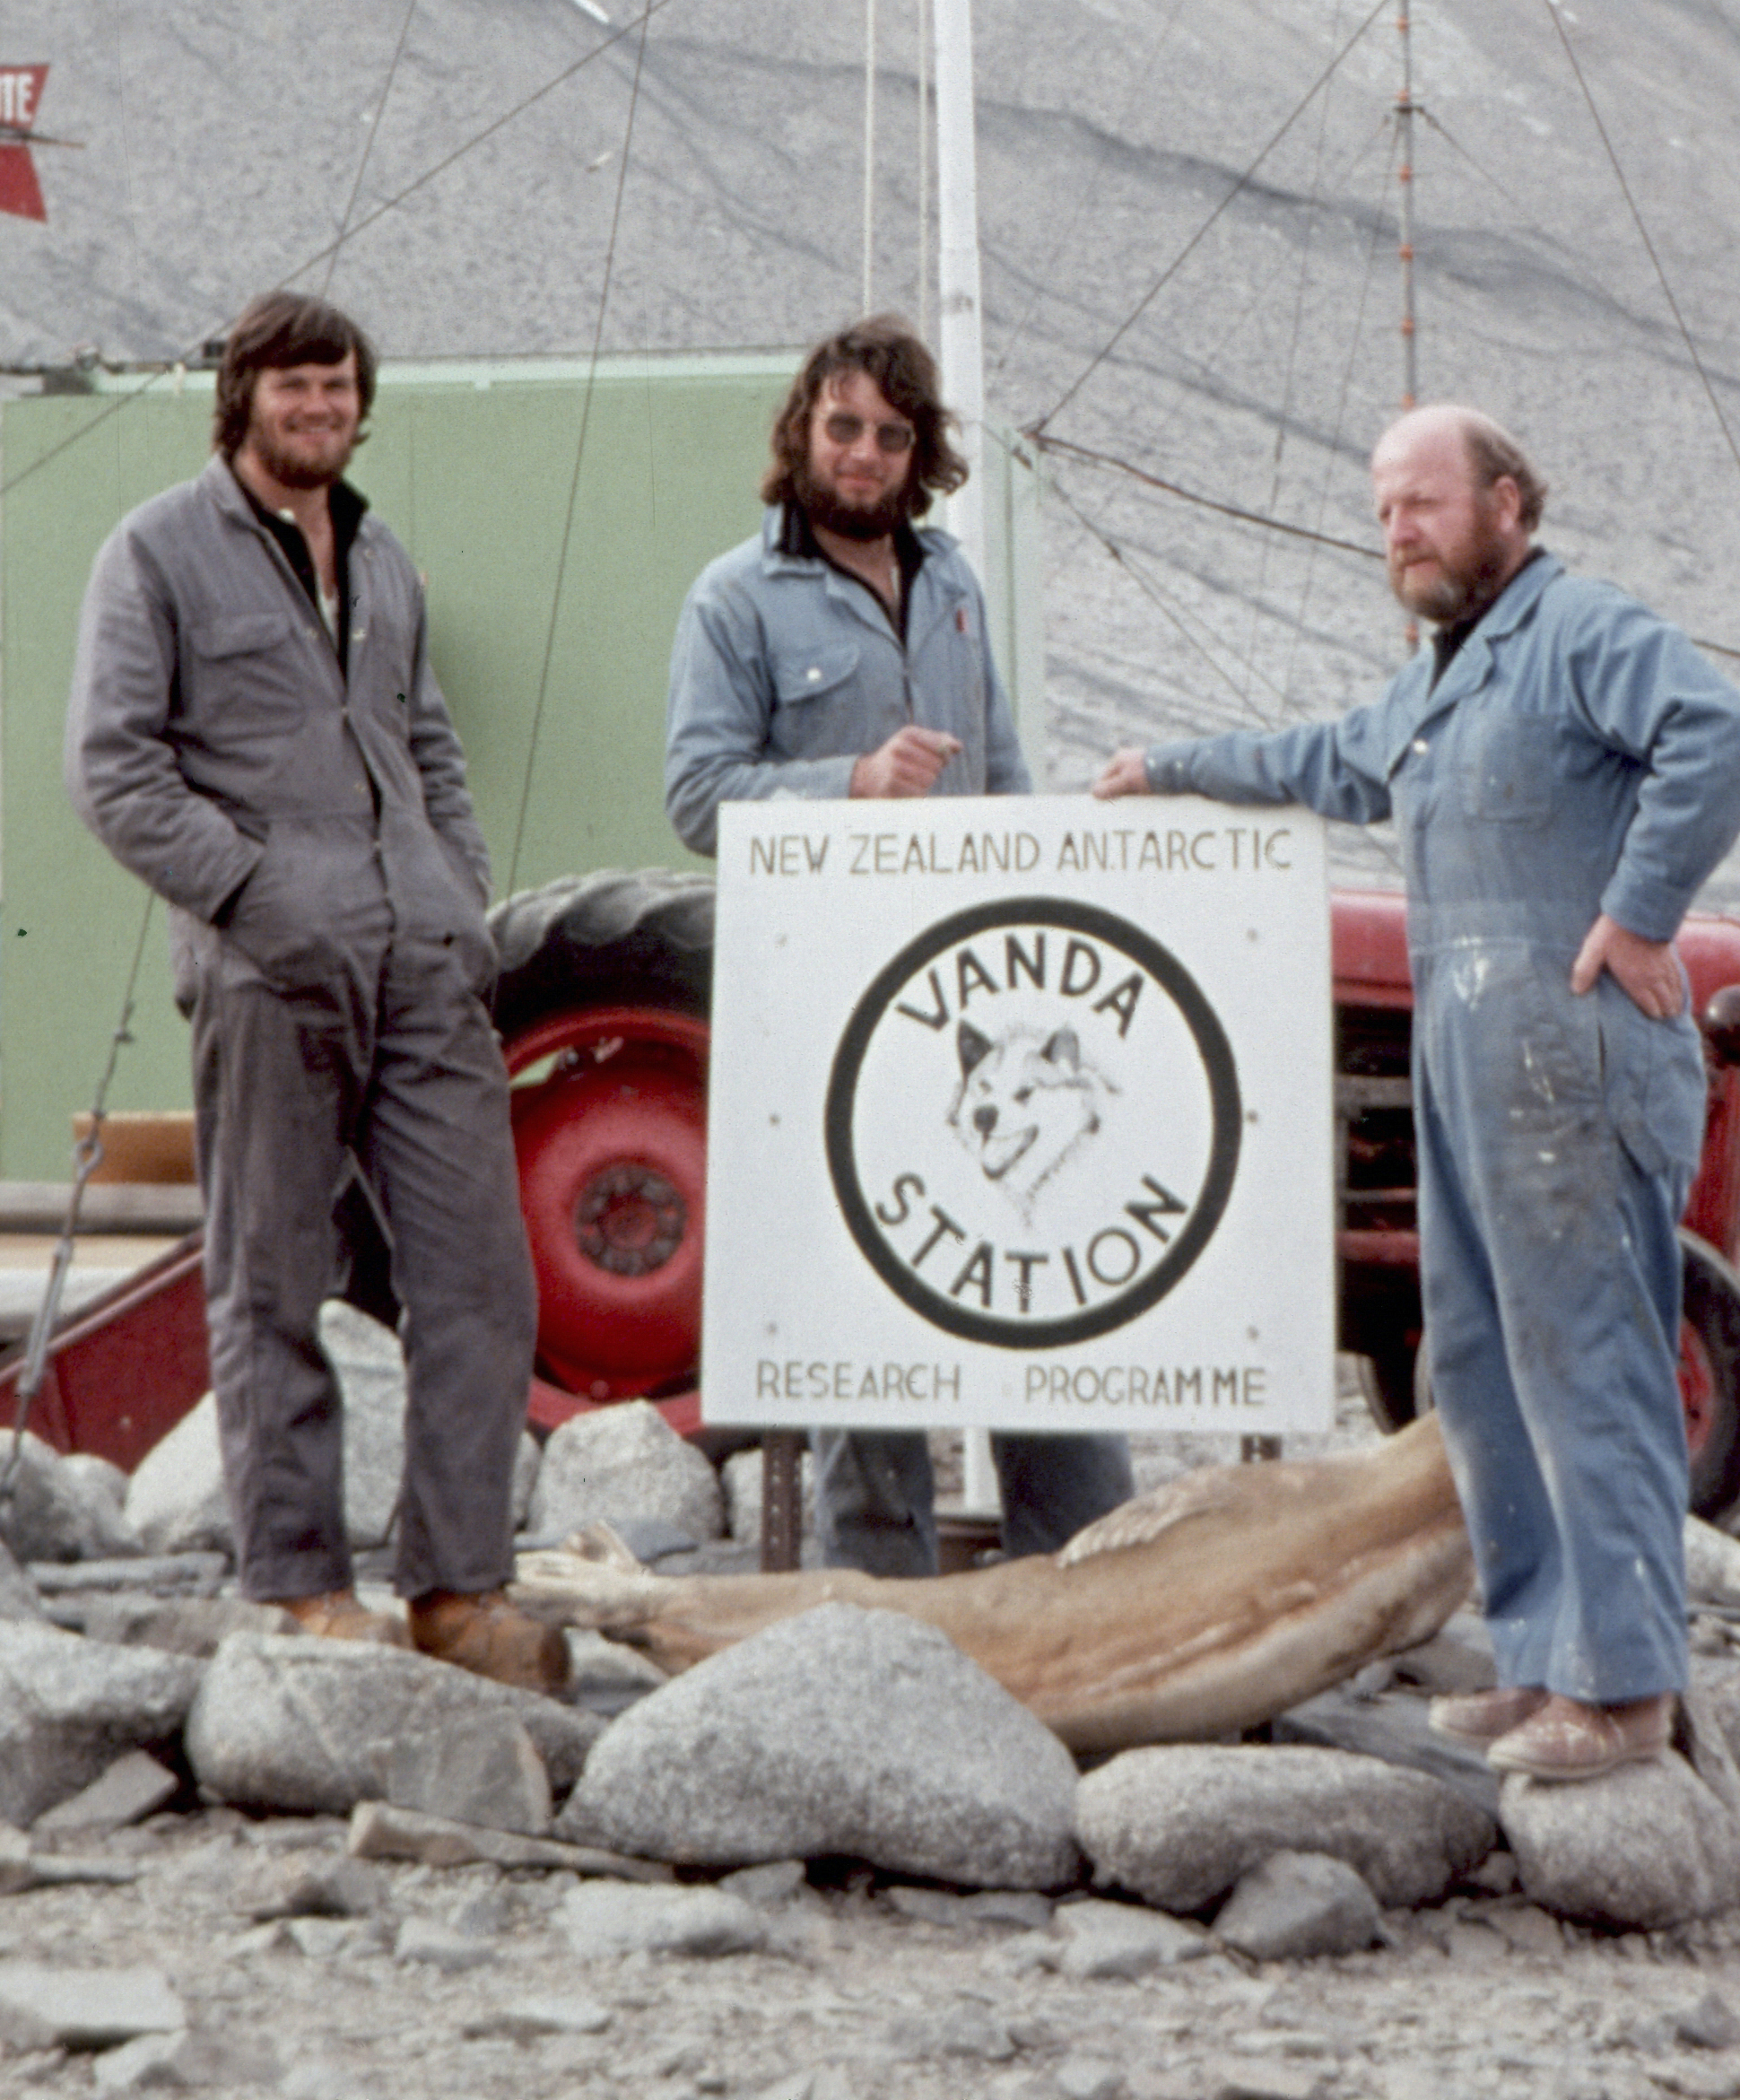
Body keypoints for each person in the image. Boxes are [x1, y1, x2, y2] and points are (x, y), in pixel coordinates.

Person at [1094, 400, 1740, 1784]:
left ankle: (1627, 1691)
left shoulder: (1580, 628)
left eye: (1427, 503)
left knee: (1589, 1364)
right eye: (1384, 512)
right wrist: (1169, 770)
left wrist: (1642, 917)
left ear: (1510, 504)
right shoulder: (1445, 675)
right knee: (1471, 1365)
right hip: (1465, 1065)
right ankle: (1539, 1662)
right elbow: (1332, 758)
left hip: (1567, 1051)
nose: (1399, 531)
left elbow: (1724, 735)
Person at [64, 289, 560, 1689]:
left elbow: (429, 743)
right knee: (273, 1276)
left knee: (479, 1275)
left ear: (361, 403)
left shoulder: (386, 558)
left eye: (337, 388)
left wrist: (458, 896)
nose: (317, 409)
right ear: (242, 398)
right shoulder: (156, 553)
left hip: (422, 968)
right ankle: (296, 1588)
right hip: (268, 977)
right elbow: (112, 768)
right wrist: (256, 896)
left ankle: (458, 1592)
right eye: (292, 388)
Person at [665, 312, 1135, 1576]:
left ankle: (1083, 1580)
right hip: (840, 1002)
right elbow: (699, 794)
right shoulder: (735, 599)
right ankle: (882, 1602)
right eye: (842, 429)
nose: (863, 455)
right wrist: (847, 784)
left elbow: (1004, 764)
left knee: (1032, 1267)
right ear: (802, 434)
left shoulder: (959, 586)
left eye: (889, 433)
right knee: (866, 1294)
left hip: (984, 993)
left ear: (917, 449)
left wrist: (1061, 871)